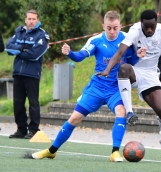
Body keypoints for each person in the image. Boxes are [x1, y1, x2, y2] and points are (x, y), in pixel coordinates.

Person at [31, 11, 135, 162]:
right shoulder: (96, 40)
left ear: (120, 26)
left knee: (122, 111)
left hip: (116, 88)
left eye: (115, 28)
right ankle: (51, 150)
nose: (112, 31)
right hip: (97, 87)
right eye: (108, 28)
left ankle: (115, 152)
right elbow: (80, 56)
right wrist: (70, 53)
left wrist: (140, 54)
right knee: (74, 118)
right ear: (103, 26)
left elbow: (135, 58)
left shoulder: (127, 39)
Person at [97, 9, 161, 162]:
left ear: (156, 24)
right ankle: (129, 112)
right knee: (123, 68)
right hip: (135, 70)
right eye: (146, 27)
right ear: (141, 24)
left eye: (152, 26)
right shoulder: (134, 30)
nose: (149, 30)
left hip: (151, 75)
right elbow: (120, 53)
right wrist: (107, 70)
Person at [6, 9, 50, 139]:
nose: (31, 21)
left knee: (33, 103)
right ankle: (21, 129)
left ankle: (34, 130)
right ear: (25, 19)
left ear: (37, 20)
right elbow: (8, 47)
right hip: (18, 73)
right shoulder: (19, 32)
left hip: (32, 73)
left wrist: (18, 51)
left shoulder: (42, 35)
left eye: (33, 19)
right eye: (29, 19)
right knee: (18, 103)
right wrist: (22, 48)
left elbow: (34, 55)